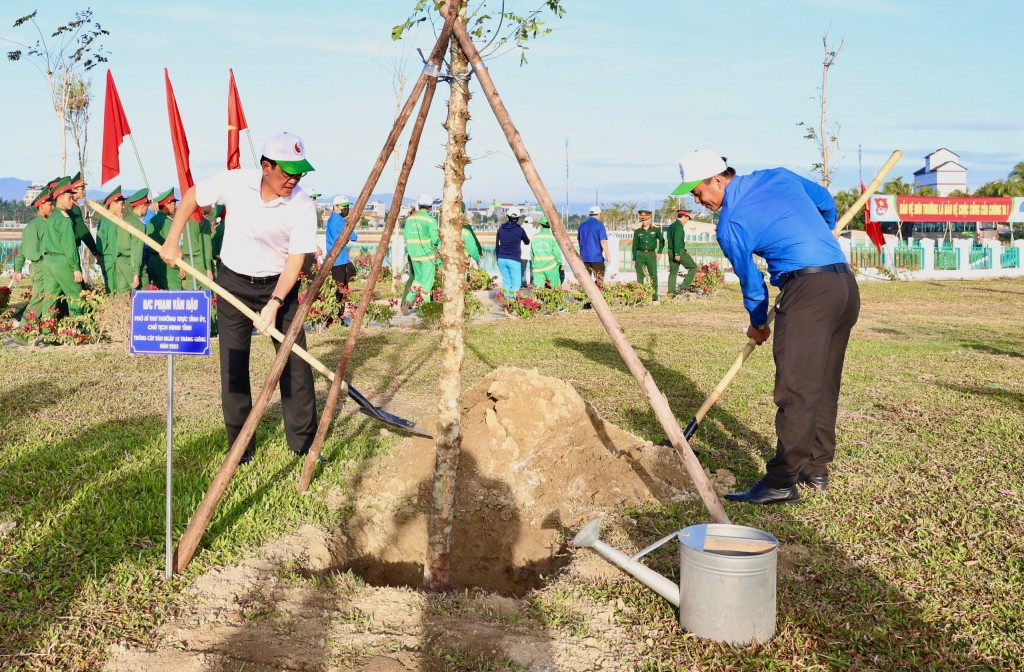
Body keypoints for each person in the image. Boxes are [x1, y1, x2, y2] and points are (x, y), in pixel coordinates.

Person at [672, 148, 859, 505]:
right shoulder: (779, 176)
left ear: (717, 178)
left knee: (796, 387)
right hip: (843, 287)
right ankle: (815, 468)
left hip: (808, 292)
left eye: (698, 192)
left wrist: (757, 323)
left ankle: (781, 480)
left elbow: (751, 283)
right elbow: (824, 201)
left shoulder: (731, 224)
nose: (698, 202)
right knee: (822, 381)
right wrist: (824, 227)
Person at [159, 131, 321, 465]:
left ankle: (304, 446)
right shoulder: (236, 182)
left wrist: (275, 304)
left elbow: (295, 261)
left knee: (296, 363)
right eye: (288, 171)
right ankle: (240, 447)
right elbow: (191, 196)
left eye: (299, 173)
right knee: (234, 366)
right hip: (232, 284)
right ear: (266, 166)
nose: (294, 179)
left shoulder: (303, 204)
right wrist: (172, 241)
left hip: (280, 286)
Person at [41, 178, 85, 317]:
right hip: (63, 262)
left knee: (50, 298)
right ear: (60, 198)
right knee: (76, 295)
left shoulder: (51, 218)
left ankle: (48, 332)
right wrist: (76, 268)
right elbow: (69, 247)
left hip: (49, 262)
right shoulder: (65, 220)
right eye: (69, 198)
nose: (72, 201)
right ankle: (78, 331)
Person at [12, 188, 55, 324]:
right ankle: (24, 328)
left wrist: (18, 270)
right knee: (39, 299)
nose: (52, 207)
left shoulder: (29, 226)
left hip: (34, 267)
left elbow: (21, 250)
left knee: (39, 298)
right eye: (50, 205)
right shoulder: (44, 225)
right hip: (43, 265)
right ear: (41, 205)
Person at [401, 194, 440, 312]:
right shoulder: (431, 220)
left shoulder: (409, 219)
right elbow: (435, 240)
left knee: (418, 279)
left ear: (418, 205)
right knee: (427, 282)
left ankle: (408, 299)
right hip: (427, 255)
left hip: (413, 255)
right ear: (430, 207)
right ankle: (426, 309)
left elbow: (405, 236)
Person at [147, 188, 184, 290]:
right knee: (175, 293)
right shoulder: (167, 222)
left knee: (160, 295)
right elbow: (173, 245)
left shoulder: (152, 220)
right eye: (173, 204)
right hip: (166, 262)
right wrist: (181, 264)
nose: (175, 207)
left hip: (153, 261)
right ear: (167, 205)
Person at [325, 194, 358, 309]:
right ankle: (337, 317)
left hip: (338, 259)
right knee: (340, 291)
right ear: (335, 206)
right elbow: (354, 237)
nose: (346, 208)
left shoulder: (334, 219)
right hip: (338, 261)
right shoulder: (338, 221)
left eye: (347, 206)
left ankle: (338, 316)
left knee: (340, 290)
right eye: (343, 206)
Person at [114, 189, 149, 294]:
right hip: (132, 264)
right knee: (144, 296)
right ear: (143, 206)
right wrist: (136, 273)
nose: (147, 209)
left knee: (122, 299)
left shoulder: (125, 220)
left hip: (120, 263)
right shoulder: (139, 224)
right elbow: (136, 249)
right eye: (147, 206)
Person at [68, 171, 102, 278]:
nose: (84, 191)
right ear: (74, 189)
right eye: (82, 189)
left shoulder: (73, 207)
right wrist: (95, 251)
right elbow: (83, 232)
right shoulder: (74, 208)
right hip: (71, 249)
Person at [95, 187, 124, 292]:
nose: (123, 207)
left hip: (105, 259)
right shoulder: (111, 221)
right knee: (114, 290)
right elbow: (114, 245)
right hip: (111, 259)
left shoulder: (103, 219)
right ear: (113, 204)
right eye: (121, 204)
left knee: (109, 288)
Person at [631, 209, 664, 300]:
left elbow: (662, 241)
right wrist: (634, 259)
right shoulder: (637, 231)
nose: (644, 221)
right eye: (642, 220)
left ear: (650, 219)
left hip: (651, 254)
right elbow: (634, 246)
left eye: (645, 219)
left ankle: (654, 295)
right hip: (640, 254)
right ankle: (640, 295)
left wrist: (659, 252)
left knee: (653, 274)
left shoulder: (656, 230)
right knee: (640, 276)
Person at [495, 207, 530, 292]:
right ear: (518, 218)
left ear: (507, 216)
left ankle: (506, 302)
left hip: (501, 259)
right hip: (514, 259)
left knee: (506, 282)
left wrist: (497, 259)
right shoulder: (520, 230)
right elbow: (527, 241)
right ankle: (511, 302)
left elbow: (497, 245)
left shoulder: (500, 229)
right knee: (516, 284)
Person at [666, 208, 698, 296]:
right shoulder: (679, 226)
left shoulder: (672, 226)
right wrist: (677, 253)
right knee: (693, 267)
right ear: (684, 216)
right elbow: (676, 240)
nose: (687, 221)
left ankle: (671, 293)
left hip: (670, 251)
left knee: (673, 272)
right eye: (687, 218)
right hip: (678, 251)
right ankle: (684, 287)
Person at [529, 215, 563, 289]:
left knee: (538, 290)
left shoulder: (535, 237)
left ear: (540, 225)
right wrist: (560, 263)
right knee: (555, 288)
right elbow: (556, 252)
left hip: (537, 267)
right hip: (551, 266)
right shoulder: (552, 237)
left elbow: (532, 254)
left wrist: (534, 264)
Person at [577, 205, 609, 283]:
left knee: (585, 282)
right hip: (596, 258)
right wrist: (608, 256)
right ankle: (598, 294)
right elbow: (603, 241)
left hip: (584, 257)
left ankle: (584, 295)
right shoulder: (600, 225)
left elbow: (579, 240)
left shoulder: (582, 225)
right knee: (599, 280)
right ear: (598, 214)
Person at [520, 215, 538, 288]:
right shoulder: (535, 230)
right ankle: (532, 283)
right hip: (532, 253)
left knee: (522, 269)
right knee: (532, 269)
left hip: (522, 253)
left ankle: (523, 283)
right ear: (532, 223)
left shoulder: (521, 229)